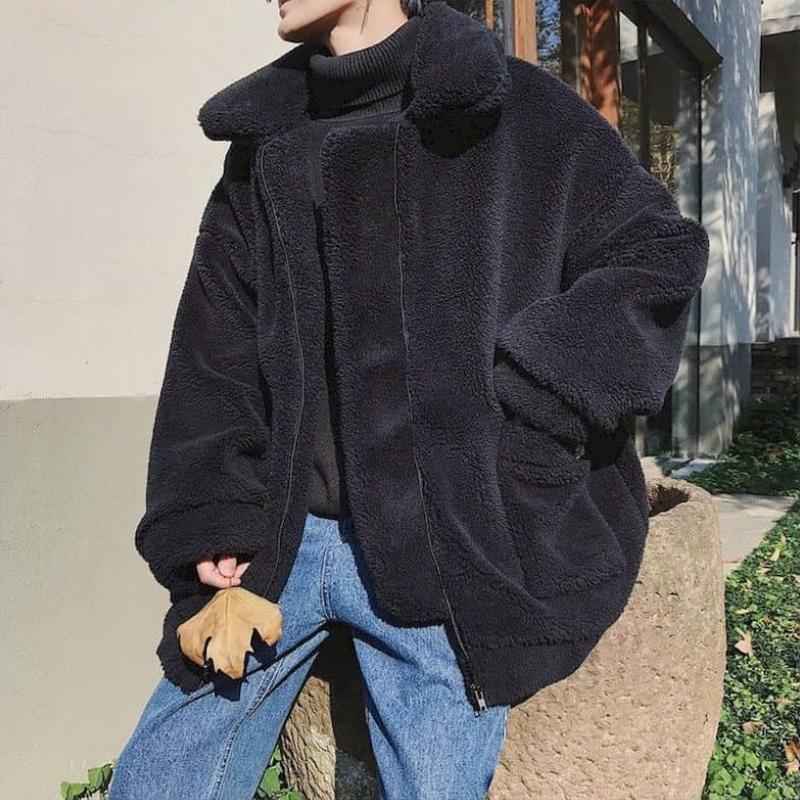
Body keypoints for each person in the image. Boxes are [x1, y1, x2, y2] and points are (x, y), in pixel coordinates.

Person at [109, 0, 710, 798]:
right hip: (281, 546)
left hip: (454, 543)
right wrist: (214, 512)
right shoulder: (265, 147)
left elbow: (657, 253)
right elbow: (213, 349)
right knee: (157, 777)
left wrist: (534, 411)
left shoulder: (518, 111)